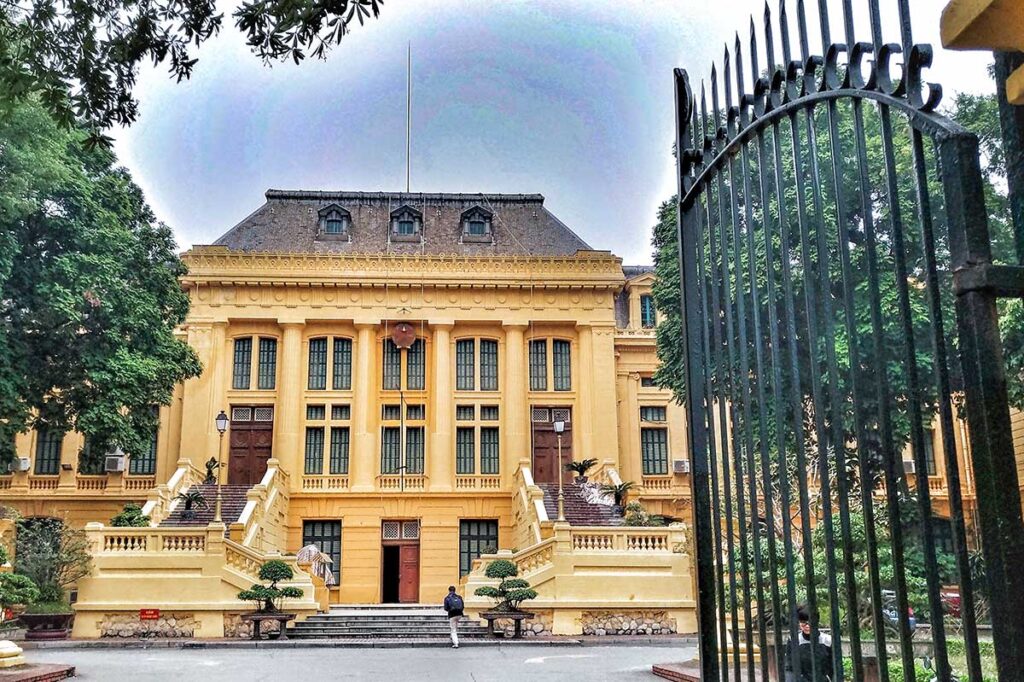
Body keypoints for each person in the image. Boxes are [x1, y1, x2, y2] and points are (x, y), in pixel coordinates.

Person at [784, 606, 833, 682]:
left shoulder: (828, 640)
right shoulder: (793, 640)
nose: (807, 626)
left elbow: (834, 667)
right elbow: (789, 667)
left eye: (810, 622)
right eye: (803, 622)